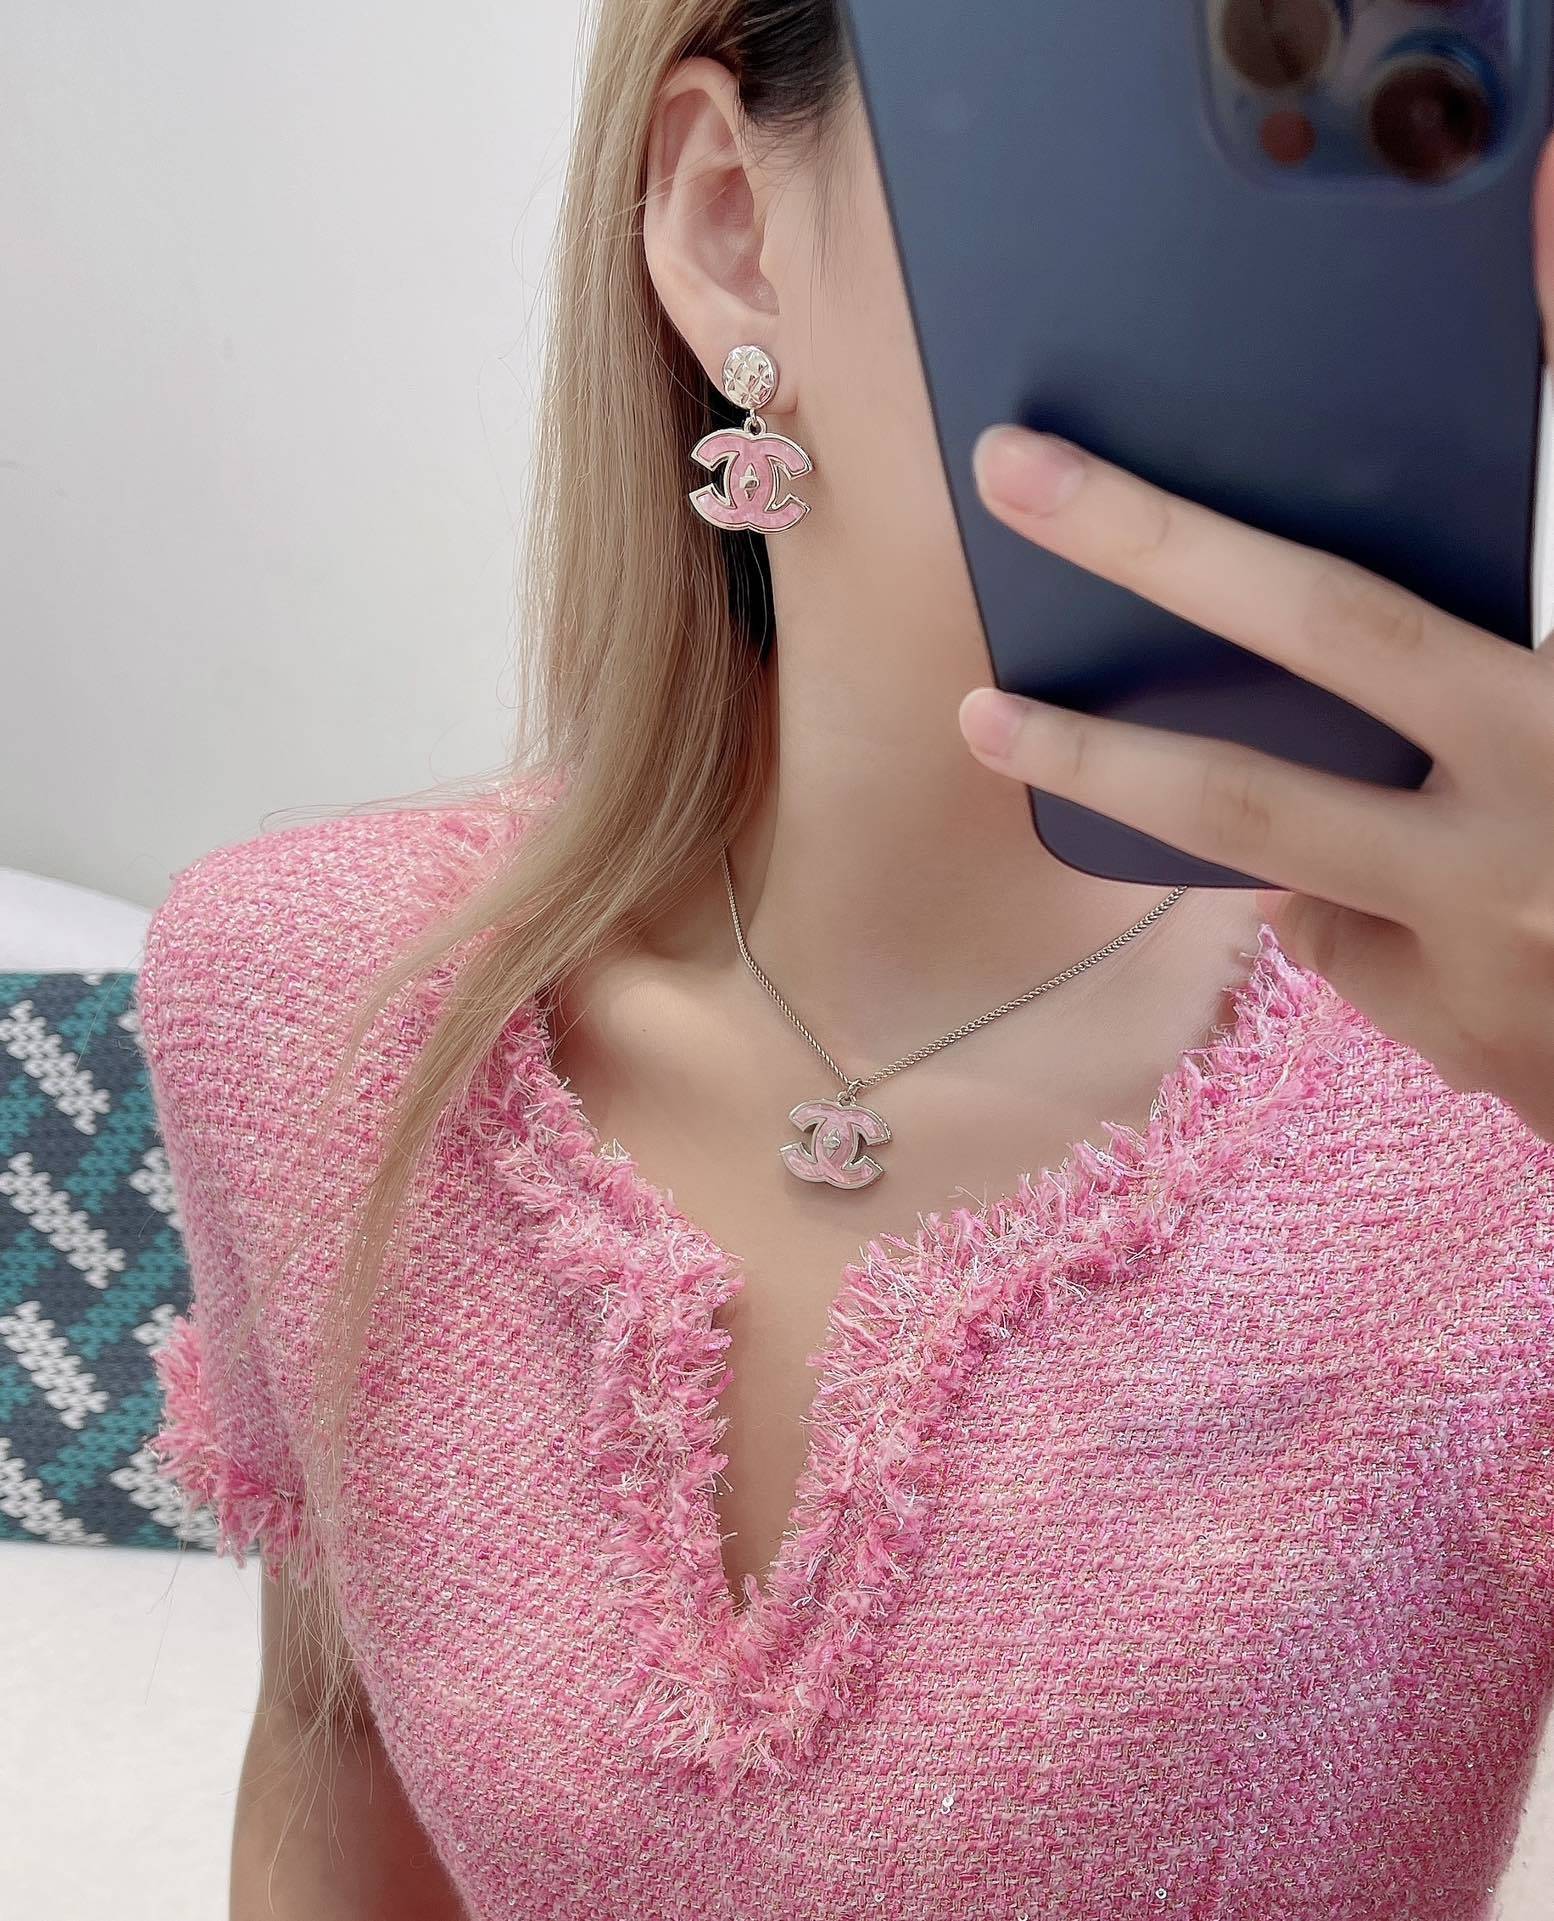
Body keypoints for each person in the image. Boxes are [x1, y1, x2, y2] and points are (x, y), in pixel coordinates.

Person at [140, 4, 1554, 1916]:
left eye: (1428, 133)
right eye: (1144, 98)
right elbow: (328, 1761)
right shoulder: (312, 1001)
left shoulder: (1500, 1129)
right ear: (730, 220)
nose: (1299, 295)